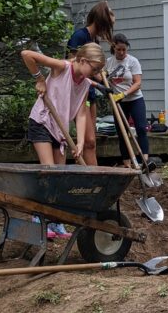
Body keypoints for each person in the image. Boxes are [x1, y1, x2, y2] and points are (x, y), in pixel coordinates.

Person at [21, 42, 106, 239]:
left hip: (60, 130)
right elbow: (27, 54)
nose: (94, 74)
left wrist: (80, 142)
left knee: (60, 176)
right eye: (94, 69)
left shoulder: (84, 83)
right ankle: (40, 217)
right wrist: (40, 79)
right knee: (50, 171)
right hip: (42, 121)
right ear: (83, 60)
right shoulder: (62, 68)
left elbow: (82, 114)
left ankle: (56, 222)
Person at [67, 1, 115, 165]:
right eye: (107, 26)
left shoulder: (94, 40)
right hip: (80, 94)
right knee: (88, 140)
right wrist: (97, 84)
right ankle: (90, 175)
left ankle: (92, 174)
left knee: (91, 141)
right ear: (102, 22)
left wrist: (104, 81)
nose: (107, 31)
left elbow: (94, 72)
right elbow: (72, 71)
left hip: (90, 93)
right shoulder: (79, 37)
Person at [105, 33, 150, 168]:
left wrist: (124, 94)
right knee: (122, 132)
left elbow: (137, 83)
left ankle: (144, 161)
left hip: (135, 99)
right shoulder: (108, 62)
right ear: (114, 48)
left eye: (124, 49)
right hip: (118, 103)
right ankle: (127, 164)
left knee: (141, 128)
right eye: (119, 49)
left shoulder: (133, 61)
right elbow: (103, 78)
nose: (122, 52)